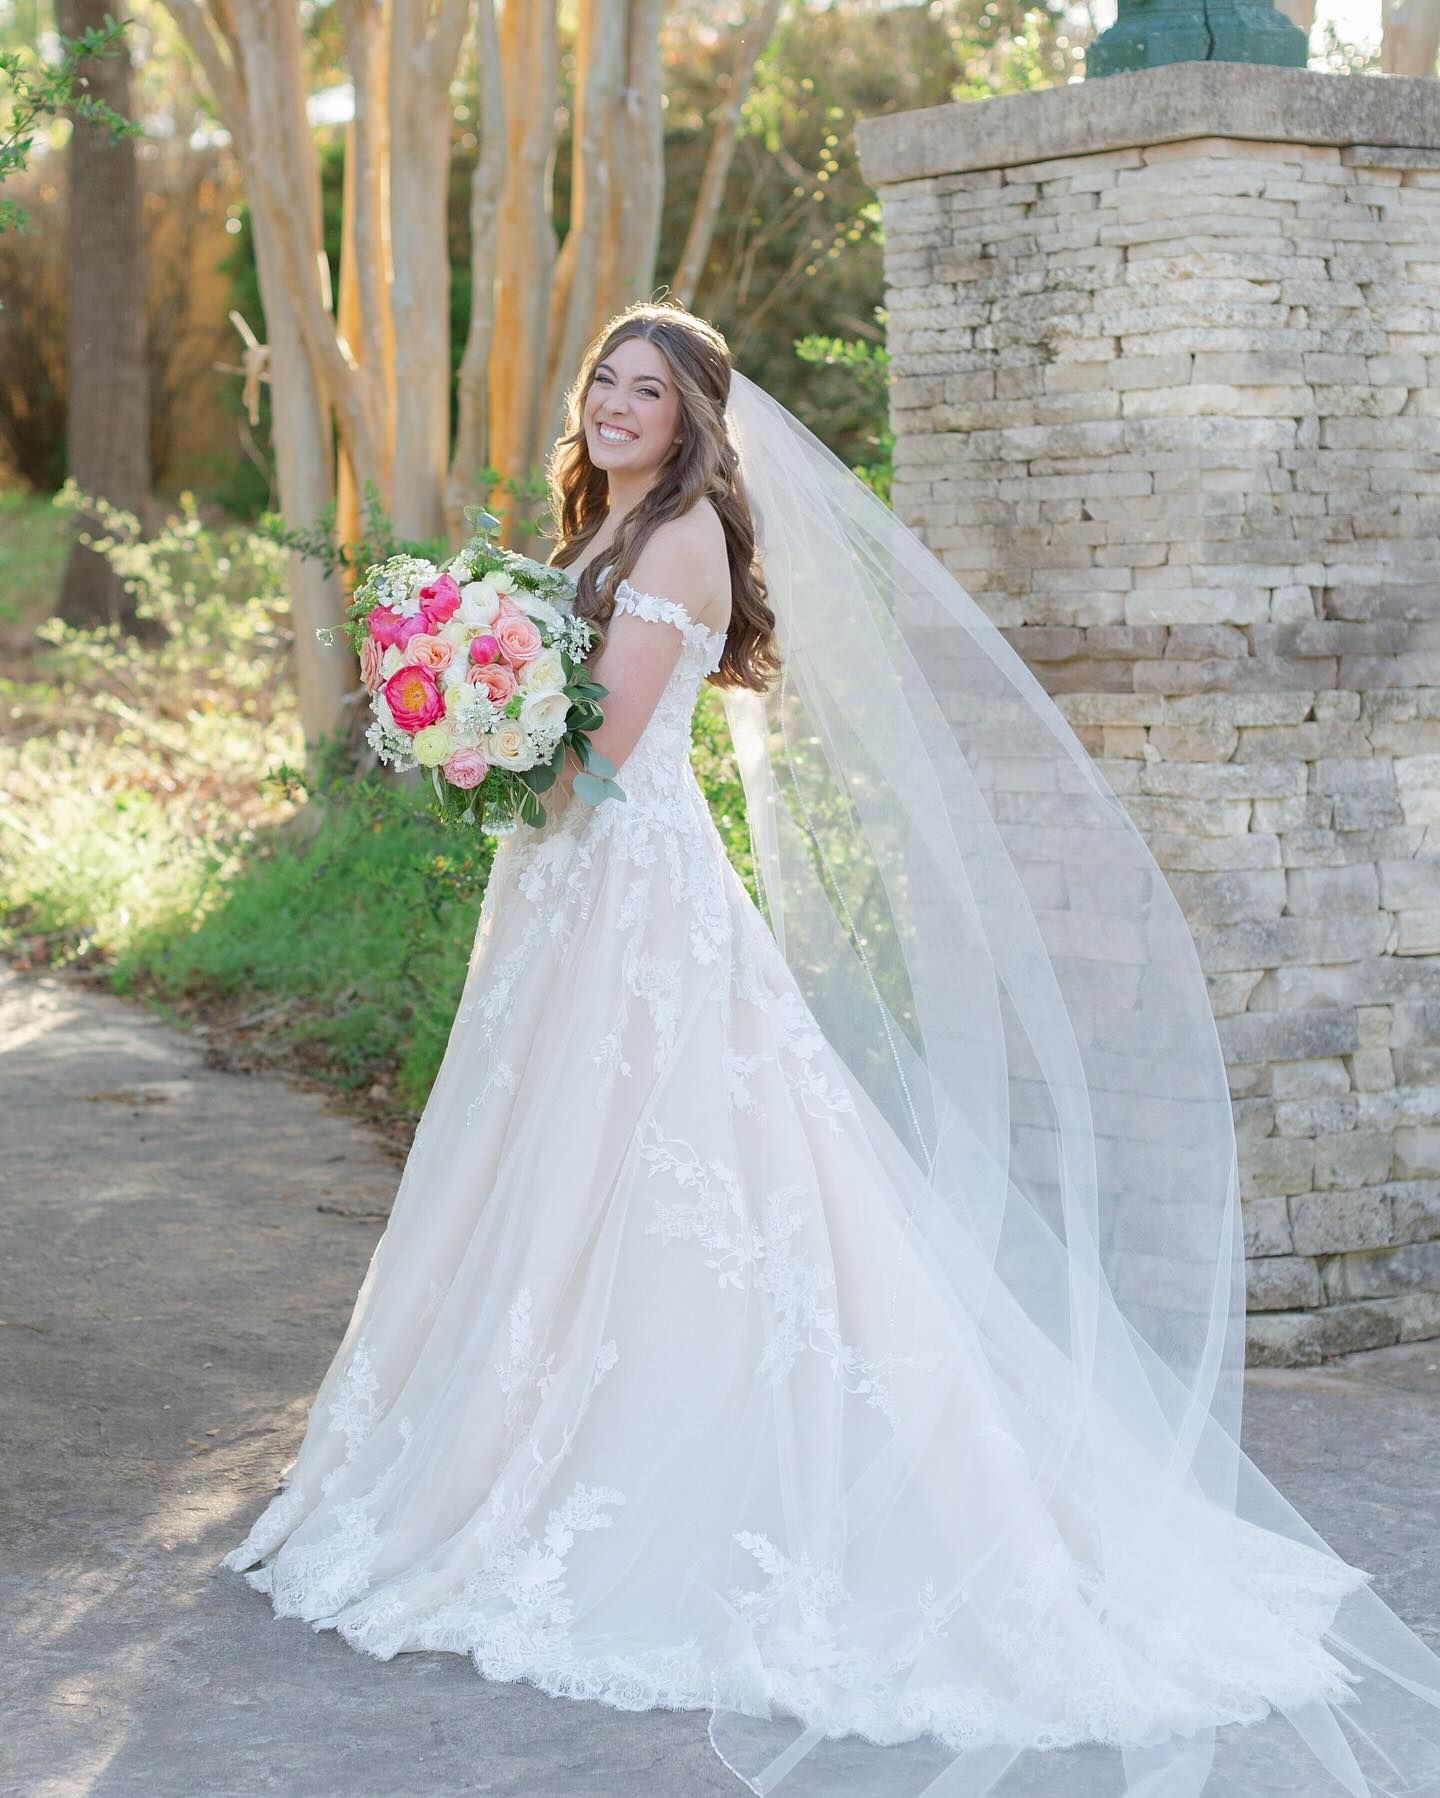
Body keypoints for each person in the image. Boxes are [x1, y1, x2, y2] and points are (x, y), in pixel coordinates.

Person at [223, 301, 1440, 1798]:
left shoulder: (678, 545)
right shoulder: (603, 530)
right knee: (547, 1165)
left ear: (692, 422)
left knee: (678, 1174)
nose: (613, 404)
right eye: (602, 379)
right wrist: (465, 704)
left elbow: (600, 758)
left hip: (629, 899)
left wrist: (480, 715)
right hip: (564, 894)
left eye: (646, 391)